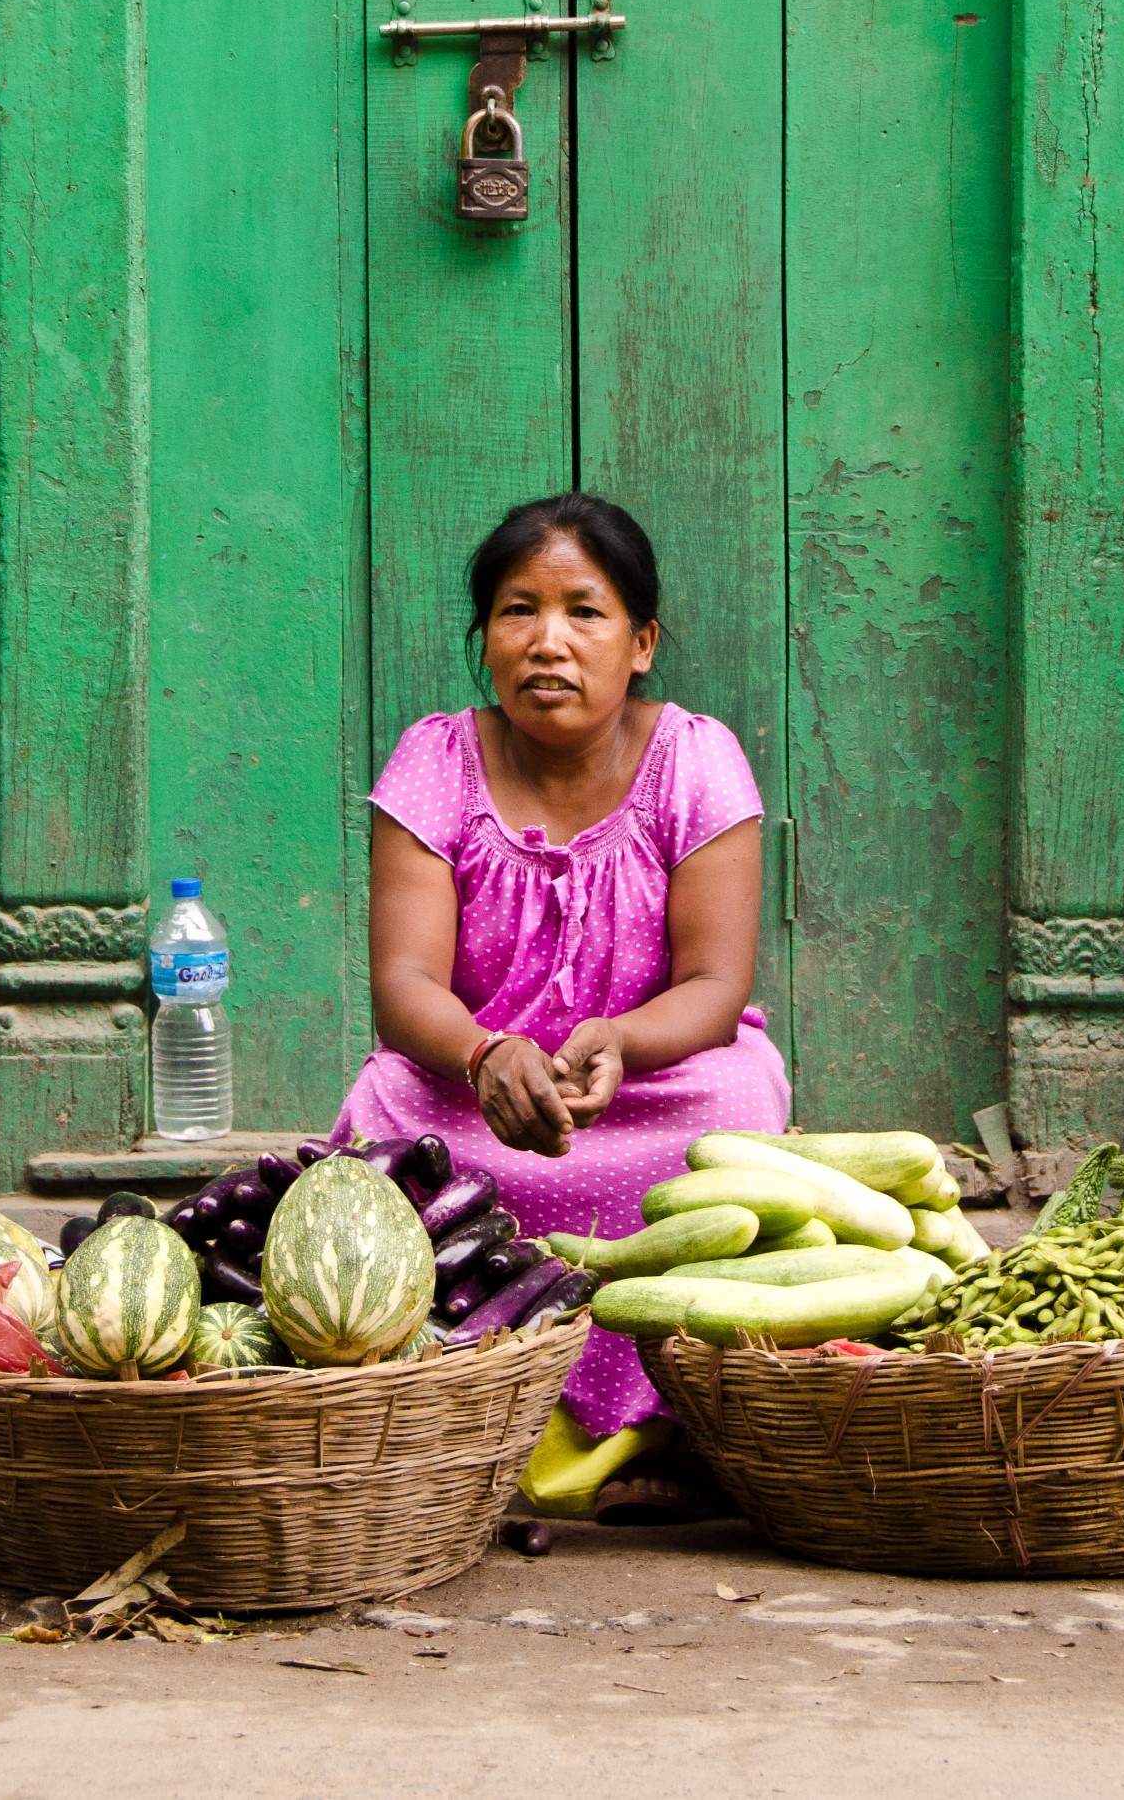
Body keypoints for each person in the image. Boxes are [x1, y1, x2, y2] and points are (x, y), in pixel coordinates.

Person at [330, 491, 791, 1520]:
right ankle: (455, 1421)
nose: (548, 641)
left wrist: (621, 1040)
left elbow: (716, 986)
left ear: (641, 643)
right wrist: (486, 1055)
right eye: (517, 611)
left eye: (584, 612)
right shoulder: (436, 759)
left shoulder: (695, 758)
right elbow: (404, 987)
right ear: (484, 639)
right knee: (382, 1129)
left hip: (652, 1085)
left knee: (736, 1115)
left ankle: (669, 1428)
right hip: (466, 1093)